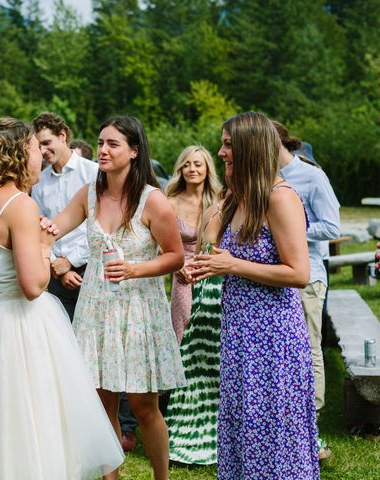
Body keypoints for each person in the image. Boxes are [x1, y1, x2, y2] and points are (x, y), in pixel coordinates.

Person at [0, 117, 124, 479]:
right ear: (20, 155)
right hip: (22, 326)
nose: (41, 156)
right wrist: (46, 245)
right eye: (36, 149)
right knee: (34, 418)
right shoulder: (20, 205)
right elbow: (33, 285)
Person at [52, 115, 186, 479]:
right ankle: (111, 478)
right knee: (101, 403)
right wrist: (32, 223)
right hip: (95, 309)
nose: (103, 150)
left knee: (144, 406)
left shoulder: (152, 201)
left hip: (139, 309)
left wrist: (135, 269)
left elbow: (175, 256)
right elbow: (55, 226)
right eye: (100, 143)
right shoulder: (89, 195)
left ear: (134, 151)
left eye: (112, 144)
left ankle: (162, 477)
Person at [190, 112, 319, 479]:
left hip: (273, 338)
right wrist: (204, 265)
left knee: (273, 433)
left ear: (250, 147)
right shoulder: (240, 197)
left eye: (228, 145)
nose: (221, 152)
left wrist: (233, 267)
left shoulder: (280, 198)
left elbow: (299, 273)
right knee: (243, 427)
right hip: (238, 335)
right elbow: (214, 247)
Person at [274, 121, 341, 461]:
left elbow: (332, 226)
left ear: (276, 143)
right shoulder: (262, 178)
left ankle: (311, 424)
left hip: (308, 276)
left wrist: (289, 229)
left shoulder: (312, 177)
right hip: (275, 276)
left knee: (309, 347)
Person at [165, 189, 226, 465]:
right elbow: (204, 248)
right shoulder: (216, 210)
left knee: (216, 363)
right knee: (194, 355)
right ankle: (193, 429)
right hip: (199, 282)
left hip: (223, 287)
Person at [31, 112, 98, 321]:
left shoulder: (93, 172)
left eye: (47, 142)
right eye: (38, 146)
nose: (43, 151)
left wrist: (70, 261)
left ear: (62, 135)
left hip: (90, 266)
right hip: (54, 273)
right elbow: (38, 227)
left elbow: (103, 227)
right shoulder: (40, 181)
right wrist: (57, 266)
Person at [165, 145, 221, 343]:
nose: (192, 169)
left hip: (214, 273)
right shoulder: (170, 203)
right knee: (185, 332)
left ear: (207, 169)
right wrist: (177, 266)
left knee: (212, 333)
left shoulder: (220, 200)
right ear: (180, 169)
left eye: (198, 164)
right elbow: (160, 243)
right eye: (186, 165)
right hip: (183, 273)